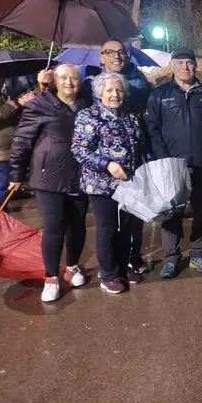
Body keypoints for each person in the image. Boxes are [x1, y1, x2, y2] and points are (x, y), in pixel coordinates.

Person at [8, 64, 91, 302]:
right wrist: (16, 174)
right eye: (63, 78)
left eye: (74, 78)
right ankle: (51, 276)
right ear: (54, 79)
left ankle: (73, 266)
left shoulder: (88, 104)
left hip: (79, 176)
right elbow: (22, 140)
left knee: (77, 225)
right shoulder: (39, 104)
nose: (69, 83)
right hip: (48, 178)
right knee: (54, 227)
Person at [145, 48, 202, 278]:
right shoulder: (160, 95)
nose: (185, 67)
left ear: (196, 66)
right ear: (172, 66)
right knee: (172, 213)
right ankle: (171, 258)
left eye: (189, 63)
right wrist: (164, 161)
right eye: (180, 63)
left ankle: (199, 253)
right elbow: (153, 130)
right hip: (172, 165)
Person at [71, 72, 146, 294]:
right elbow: (79, 149)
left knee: (126, 228)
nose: (115, 94)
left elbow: (139, 146)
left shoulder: (130, 116)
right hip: (101, 184)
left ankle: (122, 269)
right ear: (100, 93)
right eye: (110, 90)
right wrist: (107, 164)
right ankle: (108, 274)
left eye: (119, 90)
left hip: (128, 183)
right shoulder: (89, 116)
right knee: (107, 229)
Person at [92, 40, 154, 274]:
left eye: (121, 52)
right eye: (110, 52)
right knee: (108, 224)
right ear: (101, 57)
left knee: (132, 217)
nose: (117, 56)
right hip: (103, 171)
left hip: (134, 162)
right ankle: (109, 268)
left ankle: (131, 258)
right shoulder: (89, 87)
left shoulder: (140, 83)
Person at [0, 65, 36, 208]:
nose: (2, 77)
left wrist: (22, 103)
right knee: (2, 189)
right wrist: (15, 104)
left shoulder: (1, 94)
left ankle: (1, 222)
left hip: (7, 149)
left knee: (4, 188)